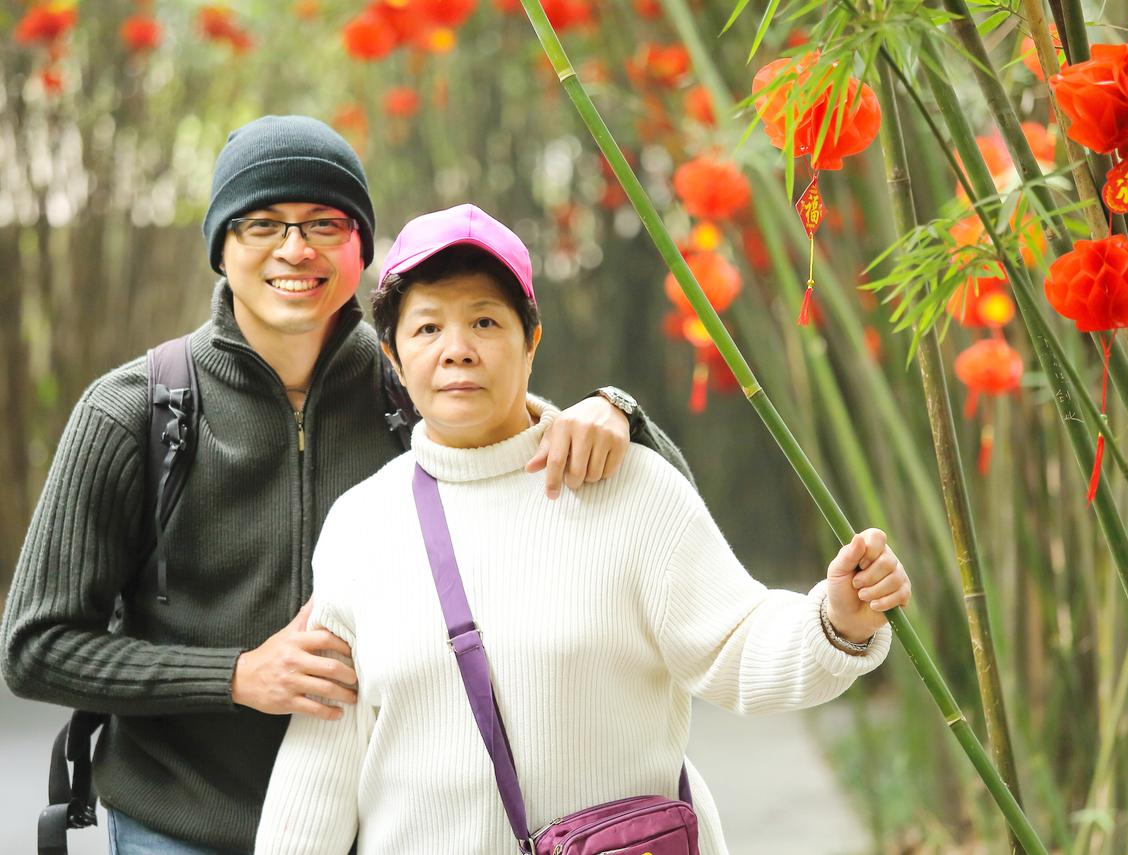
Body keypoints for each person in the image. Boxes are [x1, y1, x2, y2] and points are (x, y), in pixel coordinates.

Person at [0, 116, 690, 854]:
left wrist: (617, 413)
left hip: (386, 825)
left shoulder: (418, 388)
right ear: (222, 248)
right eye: (263, 223)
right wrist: (235, 675)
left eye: (325, 223)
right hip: (181, 826)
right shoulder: (135, 410)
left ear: (363, 248)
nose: (296, 249)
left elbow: (658, 521)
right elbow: (37, 645)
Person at [254, 204, 912, 854]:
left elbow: (737, 647)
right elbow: (322, 760)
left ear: (531, 341)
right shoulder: (361, 527)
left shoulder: (628, 487)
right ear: (394, 358)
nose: (457, 350)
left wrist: (837, 620)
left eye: (485, 320)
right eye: (427, 329)